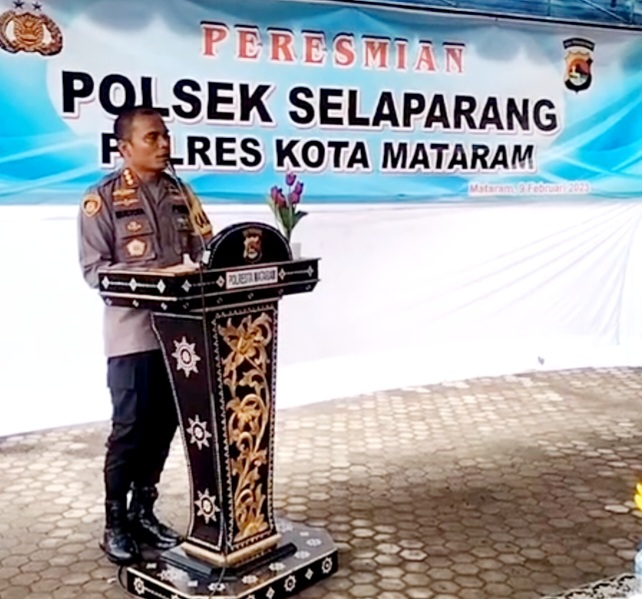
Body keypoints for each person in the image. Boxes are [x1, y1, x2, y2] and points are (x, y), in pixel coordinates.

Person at [77, 105, 214, 564]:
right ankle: (115, 522)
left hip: (180, 337)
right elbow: (95, 271)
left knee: (164, 426)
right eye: (152, 137)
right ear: (125, 147)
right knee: (130, 429)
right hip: (132, 336)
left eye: (165, 136)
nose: (163, 145)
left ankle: (143, 512)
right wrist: (158, 279)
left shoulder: (181, 193)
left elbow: (204, 251)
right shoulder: (101, 200)